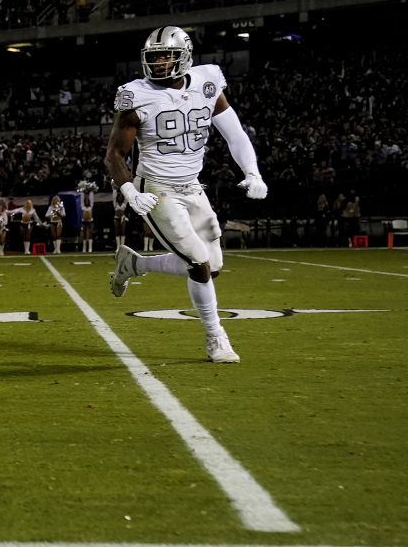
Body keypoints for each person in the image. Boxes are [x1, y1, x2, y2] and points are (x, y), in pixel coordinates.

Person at [107, 26, 267, 363]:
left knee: (214, 265)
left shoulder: (208, 82)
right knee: (197, 260)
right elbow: (114, 155)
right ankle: (216, 337)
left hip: (193, 188)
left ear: (185, 55)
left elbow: (234, 133)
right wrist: (129, 192)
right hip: (156, 190)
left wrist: (252, 171)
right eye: (154, 57)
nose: (160, 63)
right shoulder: (135, 95)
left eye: (167, 55)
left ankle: (134, 263)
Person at [79, 181, 96, 253]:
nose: (86, 200)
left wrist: (91, 190)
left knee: (90, 233)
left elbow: (91, 200)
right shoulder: (83, 205)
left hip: (90, 218)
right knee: (84, 233)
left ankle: (90, 248)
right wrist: (83, 190)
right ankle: (84, 248)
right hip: (84, 218)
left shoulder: (91, 204)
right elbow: (82, 202)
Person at [113, 180, 129, 250]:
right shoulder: (115, 204)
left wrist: (124, 188)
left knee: (122, 232)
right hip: (116, 217)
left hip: (122, 218)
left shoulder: (124, 204)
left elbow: (126, 196)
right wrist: (114, 187)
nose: (119, 198)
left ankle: (122, 246)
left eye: (120, 197)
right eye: (118, 197)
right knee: (117, 232)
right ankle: (118, 246)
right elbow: (114, 195)